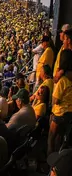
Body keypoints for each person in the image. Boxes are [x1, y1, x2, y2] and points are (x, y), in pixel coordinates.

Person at [49, 28, 72, 156]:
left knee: (52, 136)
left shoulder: (64, 79)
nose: (60, 34)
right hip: (68, 110)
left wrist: (61, 72)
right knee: (61, 136)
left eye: (62, 32)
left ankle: (52, 161)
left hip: (61, 111)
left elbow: (56, 100)